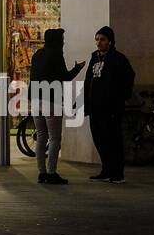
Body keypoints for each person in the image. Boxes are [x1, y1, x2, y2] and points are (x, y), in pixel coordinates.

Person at [29, 27, 84, 184]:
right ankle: (51, 173)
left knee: (41, 137)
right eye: (62, 39)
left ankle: (41, 173)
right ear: (57, 41)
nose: (63, 42)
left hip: (35, 99)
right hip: (51, 101)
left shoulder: (37, 55)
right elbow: (65, 77)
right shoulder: (56, 55)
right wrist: (78, 68)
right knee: (54, 138)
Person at [83, 25, 135, 183]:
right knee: (99, 139)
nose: (99, 43)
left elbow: (128, 77)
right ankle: (106, 170)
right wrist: (85, 102)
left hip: (111, 108)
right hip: (95, 107)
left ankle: (117, 173)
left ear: (110, 42)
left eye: (102, 39)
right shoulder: (94, 58)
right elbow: (88, 81)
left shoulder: (118, 59)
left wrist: (119, 98)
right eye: (97, 39)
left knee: (113, 140)